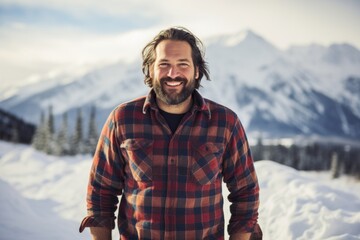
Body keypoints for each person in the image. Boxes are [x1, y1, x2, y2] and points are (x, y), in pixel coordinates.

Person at [79, 26, 261, 240]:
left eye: (182, 64)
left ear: (197, 71)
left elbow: (246, 193)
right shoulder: (122, 119)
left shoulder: (225, 123)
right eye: (164, 64)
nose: (173, 73)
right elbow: (101, 191)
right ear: (150, 70)